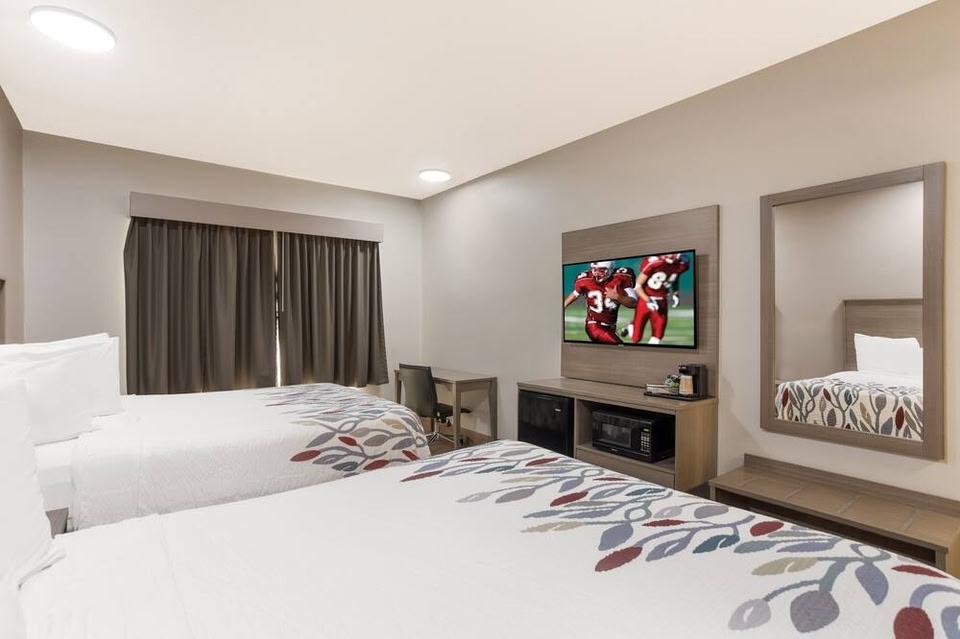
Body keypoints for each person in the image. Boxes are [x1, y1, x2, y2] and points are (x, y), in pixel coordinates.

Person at [622, 253, 689, 344]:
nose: (674, 255)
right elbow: (638, 285)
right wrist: (648, 300)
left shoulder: (680, 264)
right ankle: (631, 326)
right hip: (645, 300)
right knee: (636, 338)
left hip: (662, 301)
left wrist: (675, 293)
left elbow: (674, 277)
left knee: (657, 337)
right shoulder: (654, 263)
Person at [563, 261, 636, 343]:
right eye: (594, 270)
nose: (597, 273)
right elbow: (575, 294)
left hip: (611, 326)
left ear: (610, 269)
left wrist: (617, 297)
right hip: (594, 326)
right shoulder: (585, 279)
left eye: (601, 270)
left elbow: (633, 303)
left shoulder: (621, 277)